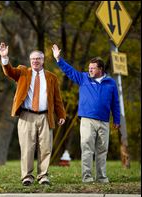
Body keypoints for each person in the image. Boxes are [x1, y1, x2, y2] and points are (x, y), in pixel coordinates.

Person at [0, 42, 66, 186]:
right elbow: (9, 71)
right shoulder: (23, 72)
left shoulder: (51, 77)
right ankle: (27, 176)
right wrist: (4, 58)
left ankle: (43, 176)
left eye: (38, 59)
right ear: (30, 61)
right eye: (33, 59)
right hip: (26, 115)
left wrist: (61, 115)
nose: (35, 61)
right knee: (27, 147)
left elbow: (57, 99)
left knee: (45, 147)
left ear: (43, 60)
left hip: (45, 116)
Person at [51, 44, 120, 183]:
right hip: (87, 120)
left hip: (104, 121)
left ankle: (101, 177)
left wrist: (116, 120)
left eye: (92, 68)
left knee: (102, 150)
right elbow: (69, 71)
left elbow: (115, 103)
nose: (89, 70)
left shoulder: (111, 83)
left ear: (100, 69)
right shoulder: (84, 78)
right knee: (87, 148)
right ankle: (87, 177)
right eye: (89, 68)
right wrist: (59, 59)